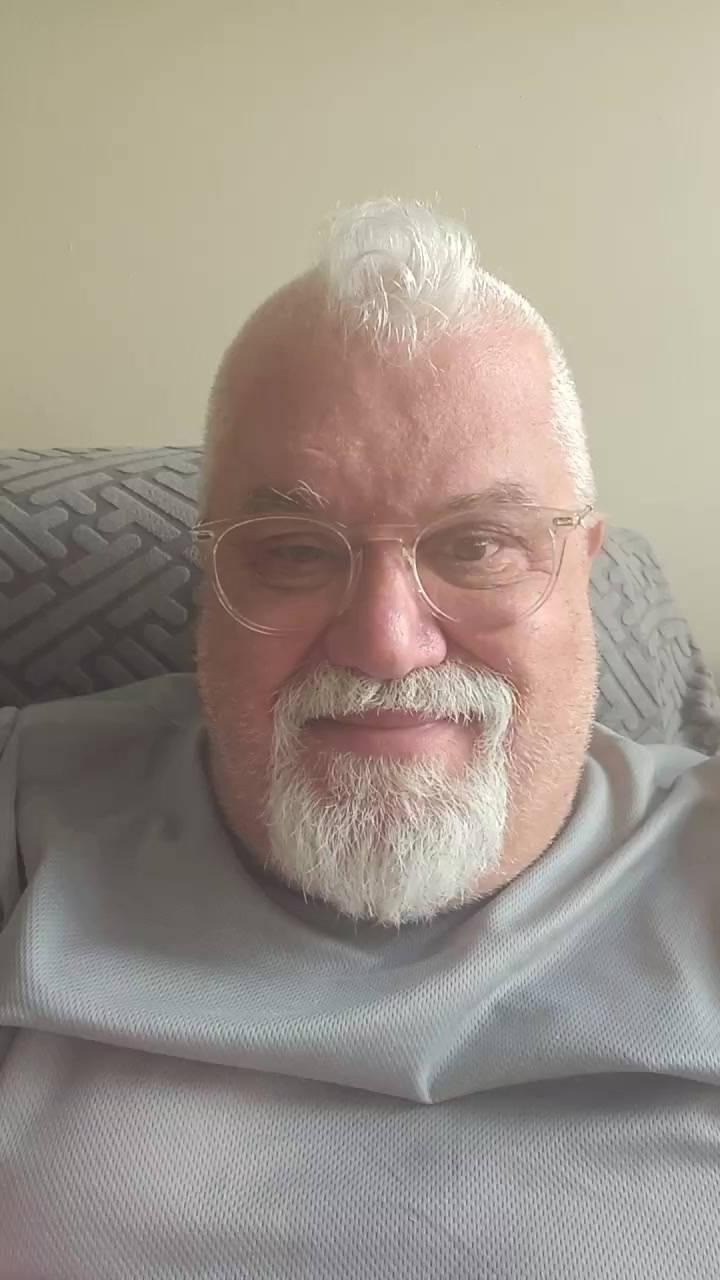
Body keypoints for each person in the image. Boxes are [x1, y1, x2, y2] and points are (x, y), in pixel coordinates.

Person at [0, 198, 718, 1280]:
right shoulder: (29, 807)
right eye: (294, 551)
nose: (386, 643)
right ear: (211, 576)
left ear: (584, 567)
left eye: (477, 545)